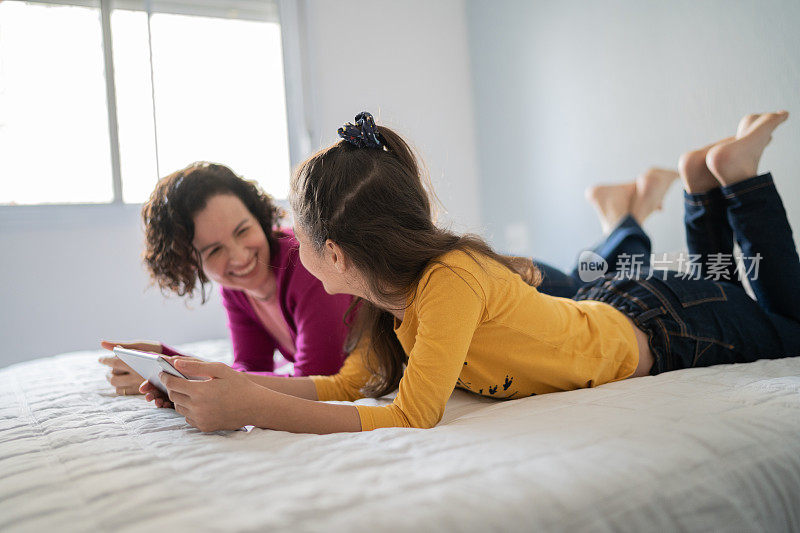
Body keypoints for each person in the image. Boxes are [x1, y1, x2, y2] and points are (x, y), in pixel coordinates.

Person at [144, 110, 799, 434]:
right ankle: (702, 185)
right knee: (732, 291)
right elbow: (350, 382)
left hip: (663, 328)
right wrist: (231, 384)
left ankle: (736, 181)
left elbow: (413, 413)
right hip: (616, 306)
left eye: (302, 238)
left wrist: (254, 407)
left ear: (337, 255)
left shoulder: (448, 281)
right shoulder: (389, 300)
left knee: (789, 327)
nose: (293, 247)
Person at [98, 163, 353, 395]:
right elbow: (251, 367)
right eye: (215, 250)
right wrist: (169, 363)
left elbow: (315, 380)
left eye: (243, 231)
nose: (239, 256)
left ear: (259, 217)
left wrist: (181, 370)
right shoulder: (236, 289)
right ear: (192, 263)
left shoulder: (306, 260)